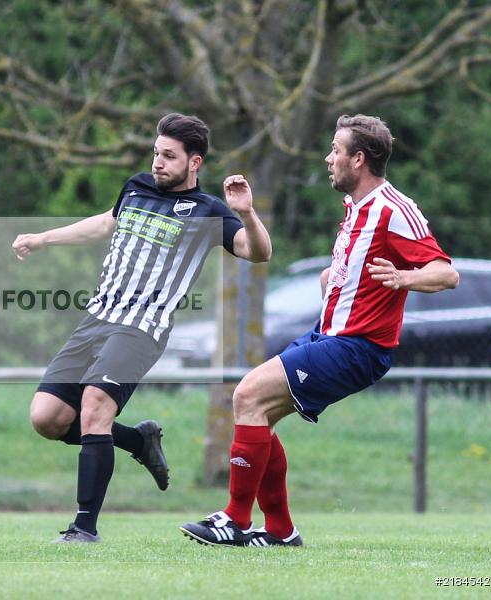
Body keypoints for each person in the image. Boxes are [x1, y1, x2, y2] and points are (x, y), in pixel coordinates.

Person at [180, 114, 459, 548]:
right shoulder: (356, 208)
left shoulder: (393, 208)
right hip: (329, 335)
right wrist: (334, 277)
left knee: (247, 395)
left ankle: (234, 519)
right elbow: (355, 269)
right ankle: (280, 531)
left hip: (357, 347)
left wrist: (405, 278)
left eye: (335, 150)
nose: (329, 158)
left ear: (359, 159)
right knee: (260, 415)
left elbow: (445, 274)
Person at [12, 113, 272, 543]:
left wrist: (247, 214)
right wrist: (43, 238)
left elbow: (257, 252)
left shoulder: (208, 211)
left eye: (169, 156)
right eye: (156, 153)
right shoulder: (135, 187)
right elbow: (104, 223)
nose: (158, 162)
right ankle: (137, 440)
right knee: (47, 418)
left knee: (95, 406)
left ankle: (84, 528)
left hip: (142, 327)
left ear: (194, 163)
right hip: (97, 318)